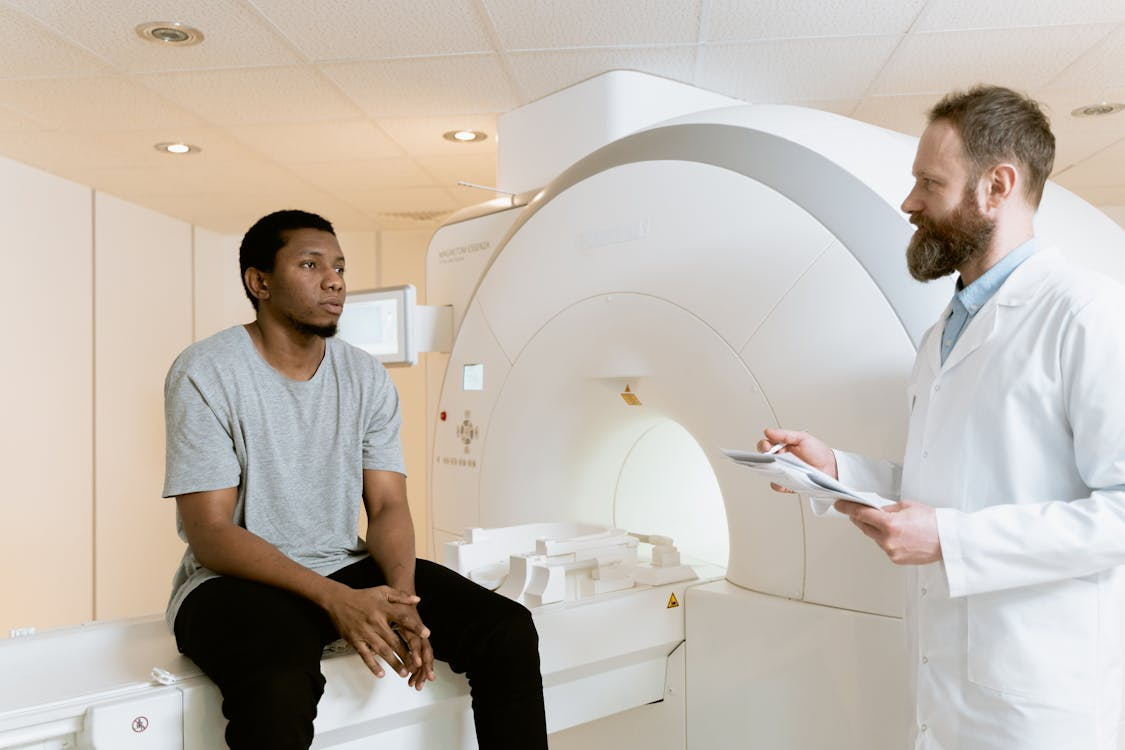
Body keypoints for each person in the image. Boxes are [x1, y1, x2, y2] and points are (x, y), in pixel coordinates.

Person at [760, 86, 1125, 749]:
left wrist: (949, 542)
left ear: (997, 186)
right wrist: (837, 470)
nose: (908, 203)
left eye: (929, 182)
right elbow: (952, 490)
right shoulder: (943, 334)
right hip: (947, 693)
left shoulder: (1087, 314)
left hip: (1038, 707)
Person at [163, 209, 549, 750]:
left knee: (506, 630)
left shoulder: (365, 375)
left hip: (343, 560)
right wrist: (333, 598)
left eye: (339, 266)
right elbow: (210, 531)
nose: (334, 279)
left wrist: (403, 601)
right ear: (260, 281)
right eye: (310, 263)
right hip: (234, 582)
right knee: (279, 682)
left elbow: (389, 504)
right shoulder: (205, 371)